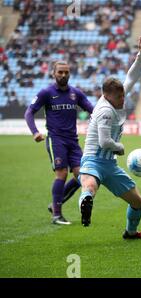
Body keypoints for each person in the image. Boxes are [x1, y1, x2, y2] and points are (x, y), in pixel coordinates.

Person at [78, 37, 141, 239]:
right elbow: (105, 142)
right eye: (119, 97)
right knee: (90, 187)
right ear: (107, 96)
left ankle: (131, 232)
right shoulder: (105, 111)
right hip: (93, 158)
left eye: (123, 95)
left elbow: (132, 77)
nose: (123, 99)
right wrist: (119, 147)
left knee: (139, 202)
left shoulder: (115, 96)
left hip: (109, 165)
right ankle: (85, 206)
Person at [24, 60, 94, 225]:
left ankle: (55, 203)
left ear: (70, 73)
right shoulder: (46, 93)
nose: (63, 75)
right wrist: (35, 132)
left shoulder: (76, 93)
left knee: (82, 175)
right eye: (60, 72)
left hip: (73, 141)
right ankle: (56, 215)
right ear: (53, 74)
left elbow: (93, 110)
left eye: (66, 72)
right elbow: (29, 112)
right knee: (61, 173)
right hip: (56, 140)